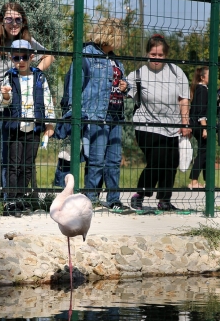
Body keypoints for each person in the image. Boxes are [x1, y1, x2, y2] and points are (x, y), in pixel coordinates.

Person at [0, 2, 54, 215]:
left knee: (8, 157)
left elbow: (49, 55)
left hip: (13, 110)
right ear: (1, 20)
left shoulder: (25, 42)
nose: (13, 24)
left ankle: (9, 200)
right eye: (8, 19)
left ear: (23, 21)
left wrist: (32, 75)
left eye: (18, 19)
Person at [127, 34, 191, 211]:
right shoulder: (138, 74)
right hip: (146, 125)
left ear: (166, 55)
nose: (156, 58)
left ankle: (164, 200)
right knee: (158, 159)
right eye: (153, 55)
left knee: (171, 162)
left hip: (172, 127)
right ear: (147, 53)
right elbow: (124, 89)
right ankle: (139, 194)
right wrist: (123, 88)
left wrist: (185, 123)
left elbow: (183, 99)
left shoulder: (176, 72)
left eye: (160, 55)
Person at [72, 18, 129, 210]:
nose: (118, 43)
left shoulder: (115, 59)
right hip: (96, 114)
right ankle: (91, 199)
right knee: (96, 159)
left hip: (116, 114)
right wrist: (74, 111)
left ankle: (114, 199)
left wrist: (125, 86)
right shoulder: (87, 53)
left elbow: (121, 81)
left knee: (113, 160)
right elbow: (76, 83)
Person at [0, 39, 55, 216]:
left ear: (31, 57)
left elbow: (47, 100)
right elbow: (4, 104)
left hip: (34, 126)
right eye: (16, 57)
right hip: (15, 128)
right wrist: (6, 96)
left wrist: (50, 123)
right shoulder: (9, 76)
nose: (20, 61)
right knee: (13, 165)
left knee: (27, 165)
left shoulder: (39, 77)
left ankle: (22, 198)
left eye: (24, 57)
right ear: (11, 58)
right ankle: (11, 200)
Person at [187, 66, 209, 190]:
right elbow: (201, 111)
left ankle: (207, 181)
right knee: (203, 152)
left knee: (205, 153)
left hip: (196, 124)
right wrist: (204, 128)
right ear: (202, 77)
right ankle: (194, 181)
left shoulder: (201, 89)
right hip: (200, 125)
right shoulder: (202, 89)